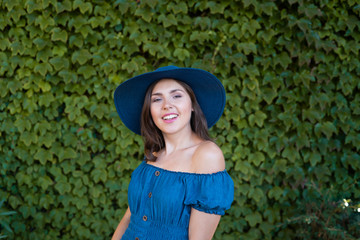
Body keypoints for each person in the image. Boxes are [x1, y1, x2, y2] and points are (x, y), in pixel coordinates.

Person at [111, 65, 234, 240]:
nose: (167, 105)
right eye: (157, 99)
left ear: (192, 105)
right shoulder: (154, 153)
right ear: (149, 110)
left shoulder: (206, 155)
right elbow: (129, 217)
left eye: (176, 96)